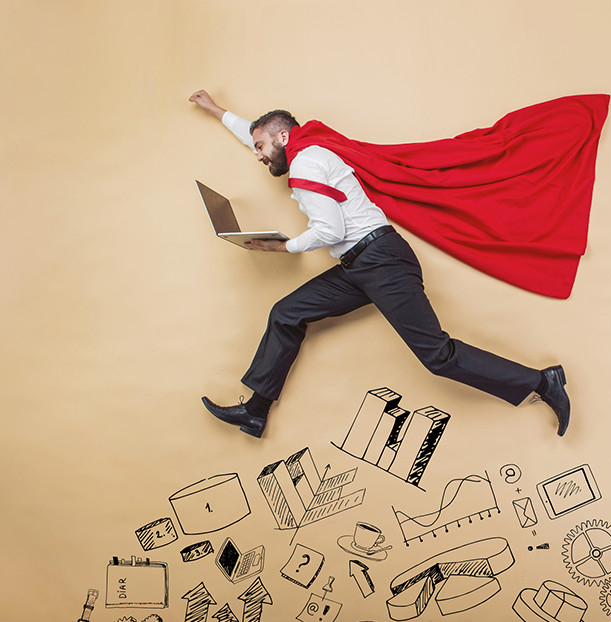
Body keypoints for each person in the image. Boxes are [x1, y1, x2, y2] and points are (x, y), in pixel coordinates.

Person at [189, 90, 570, 439]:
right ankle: (256, 411)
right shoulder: (308, 146)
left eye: (260, 147)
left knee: (437, 356)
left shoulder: (306, 163)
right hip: (359, 265)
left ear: (283, 139)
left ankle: (542, 382)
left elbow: (330, 227)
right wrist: (218, 111)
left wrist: (285, 247)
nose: (257, 155)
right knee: (287, 313)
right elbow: (261, 135)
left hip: (380, 261)